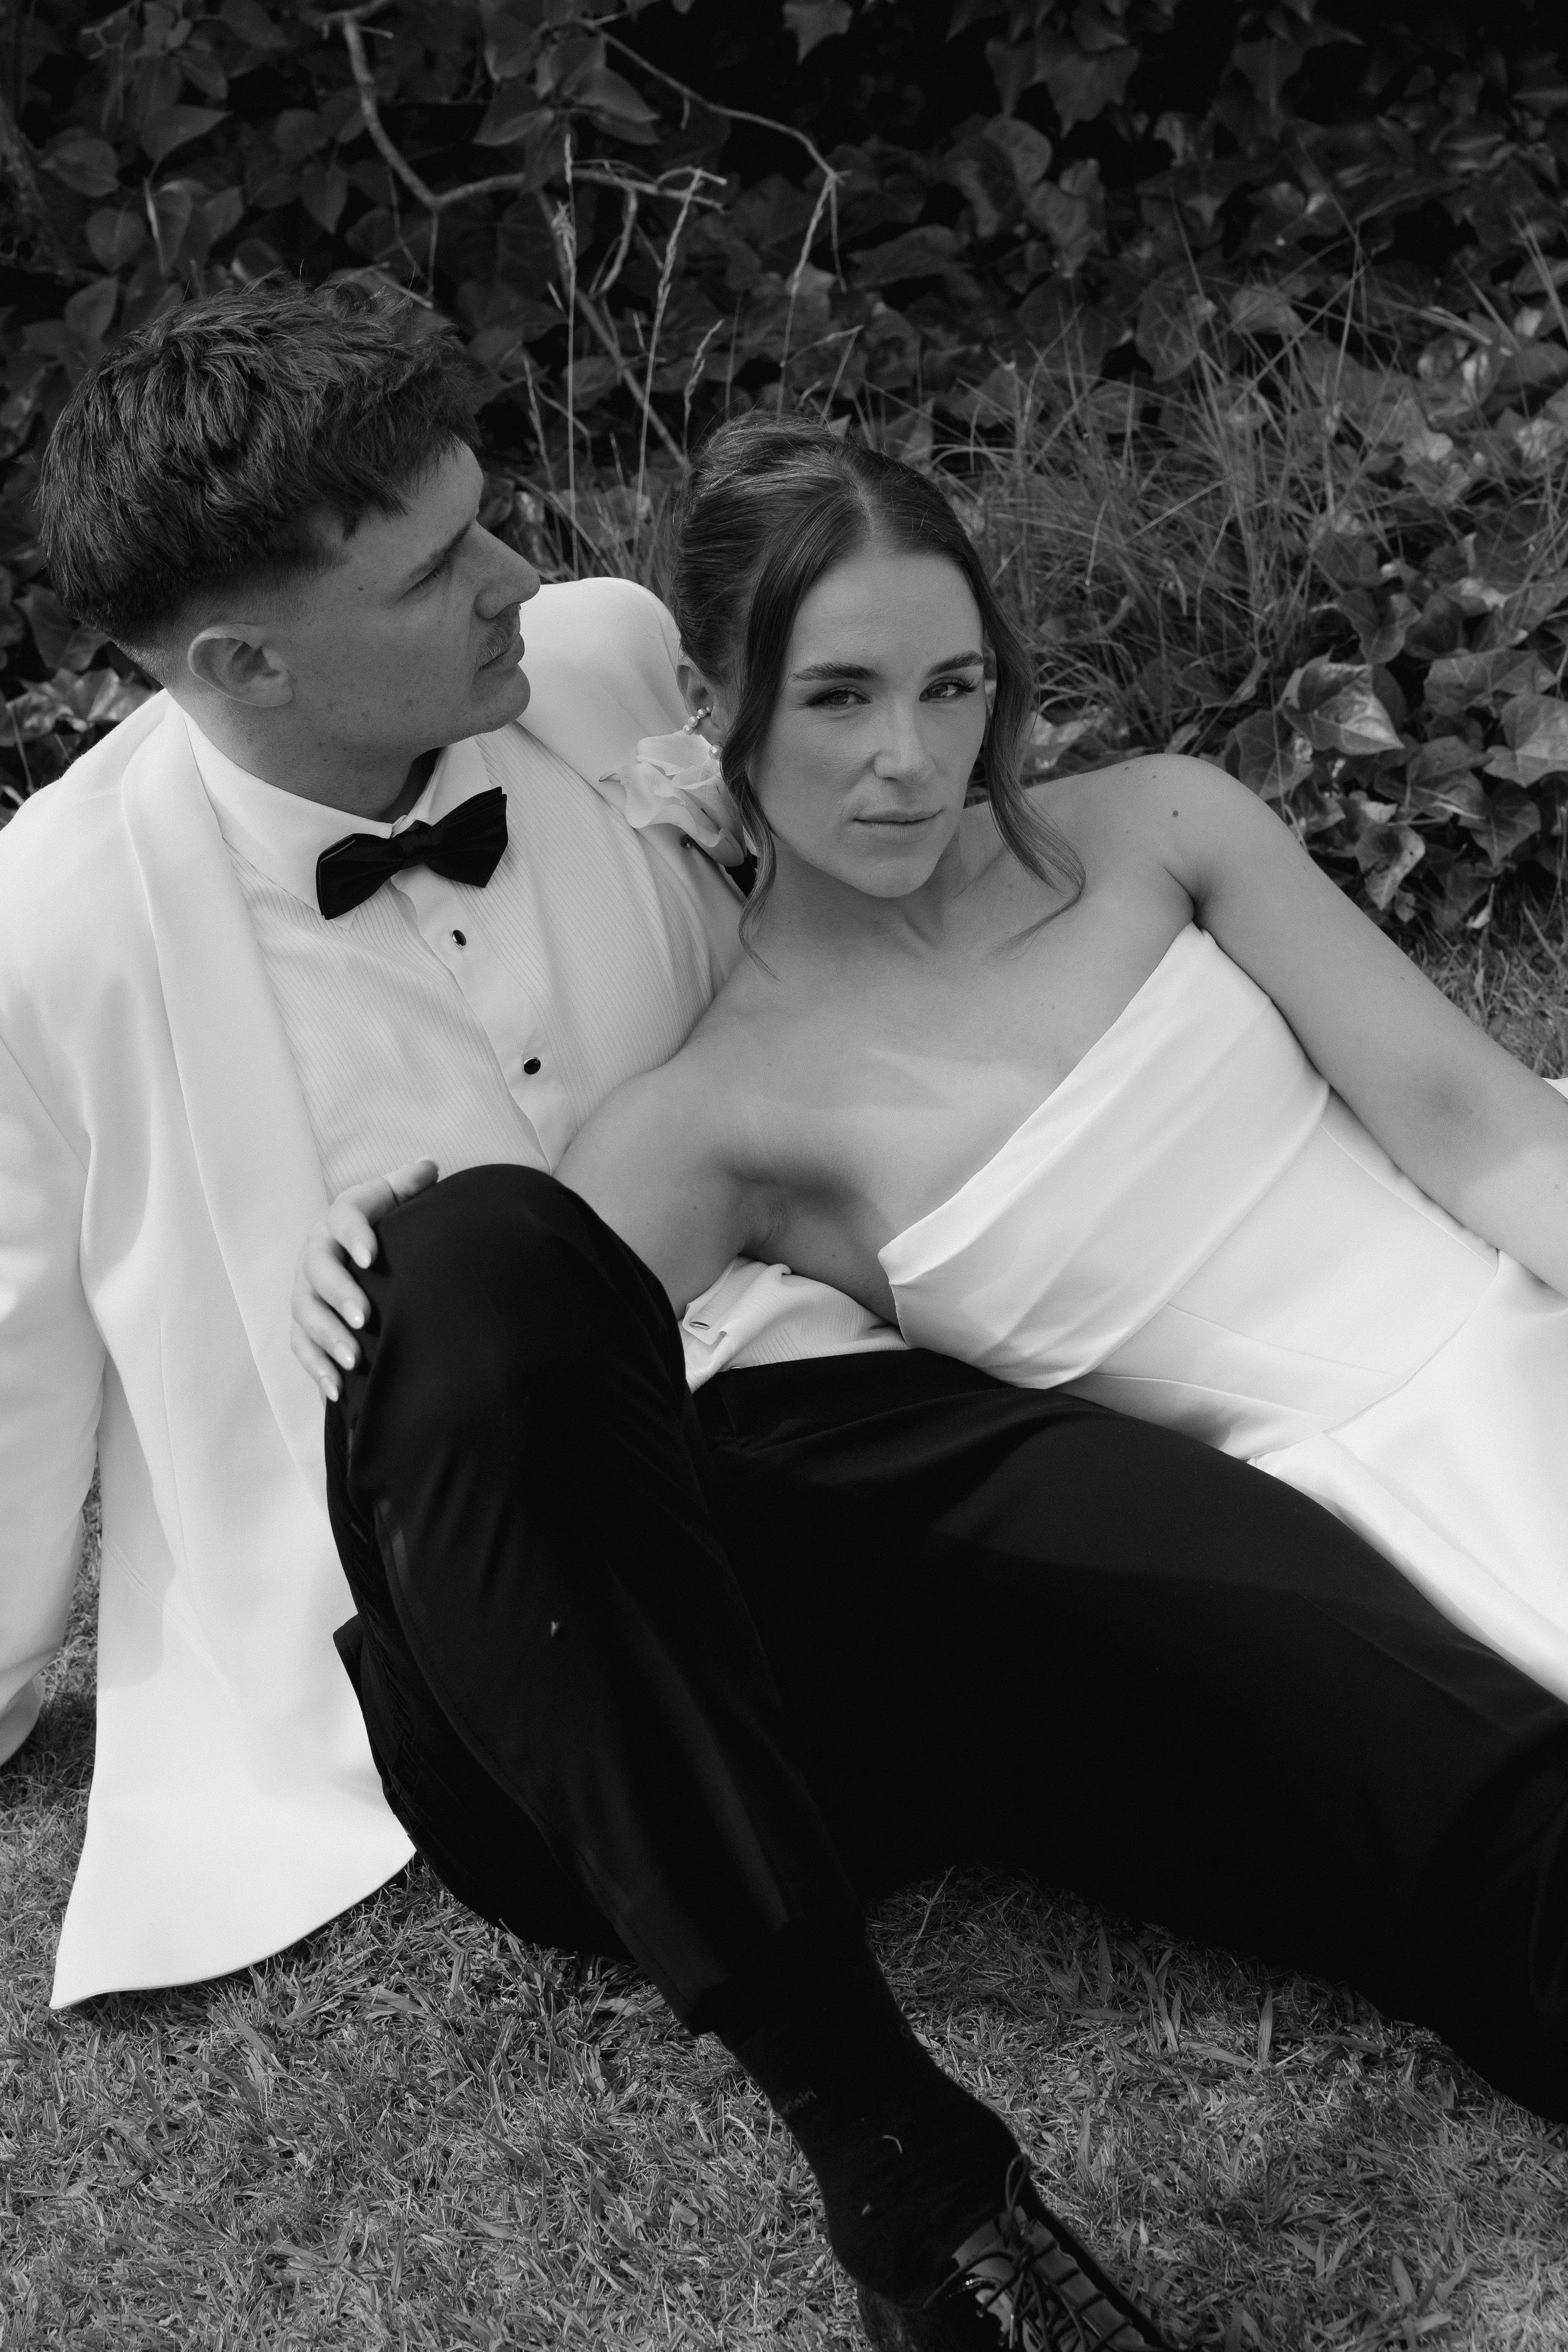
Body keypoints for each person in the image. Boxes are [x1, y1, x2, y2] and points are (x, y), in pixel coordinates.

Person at [1, 287, 1557, 2352]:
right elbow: (15, 1313)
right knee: (472, 1263)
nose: (519, 576)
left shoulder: (603, 663)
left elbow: (865, 852)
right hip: (497, 1608)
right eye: (439, 566)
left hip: (839, 1462)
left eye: (490, 521)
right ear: (239, 665)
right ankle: (904, 2167)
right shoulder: (57, 920)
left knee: (1354, 1691)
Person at [305, 414, 1568, 1703]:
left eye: (948, 686)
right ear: (710, 701)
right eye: (837, 696)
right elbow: (503, 1382)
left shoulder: (1153, 826)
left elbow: (1472, 1121)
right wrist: (383, 1278)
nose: (906, 762)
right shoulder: (709, 1118)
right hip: (1355, 1536)